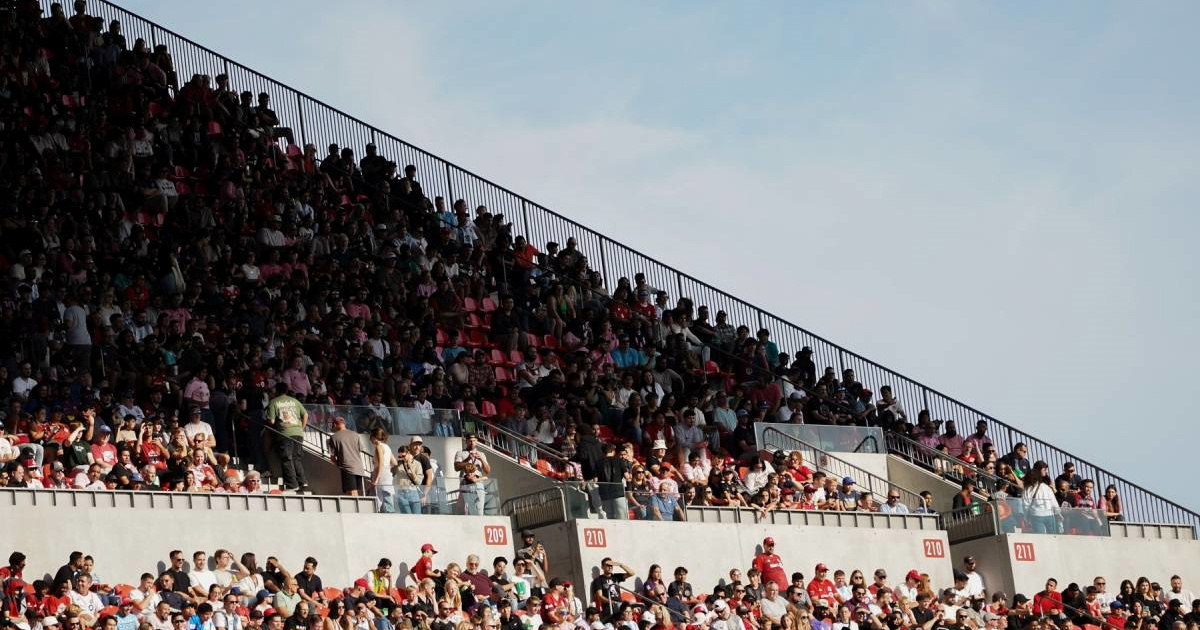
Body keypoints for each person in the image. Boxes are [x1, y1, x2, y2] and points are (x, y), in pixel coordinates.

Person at [265, 384, 309, 492]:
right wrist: (301, 428)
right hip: (298, 433)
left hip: (284, 434)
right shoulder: (295, 401)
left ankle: (292, 485)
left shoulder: (274, 402)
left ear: (276, 391)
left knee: (286, 458)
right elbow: (306, 415)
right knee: (296, 458)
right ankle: (302, 481)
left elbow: (271, 421)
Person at [327, 416, 367, 496]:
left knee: (351, 492)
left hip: (347, 468)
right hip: (358, 467)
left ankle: (354, 508)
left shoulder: (334, 437)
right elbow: (361, 449)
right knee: (355, 491)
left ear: (335, 424)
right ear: (344, 423)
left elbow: (332, 457)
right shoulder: (355, 434)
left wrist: (339, 465)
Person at [368, 428, 397, 512]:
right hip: (387, 474)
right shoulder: (387, 447)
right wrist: (390, 473)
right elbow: (395, 463)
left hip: (380, 474)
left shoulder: (378, 447)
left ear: (374, 436)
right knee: (387, 498)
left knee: (378, 499)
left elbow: (381, 463)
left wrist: (376, 479)